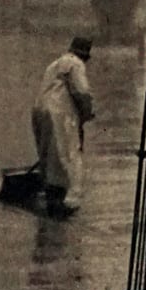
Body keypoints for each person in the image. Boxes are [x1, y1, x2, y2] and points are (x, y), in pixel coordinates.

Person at [32, 36, 94, 215]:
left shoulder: (55, 64)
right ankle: (57, 201)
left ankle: (50, 195)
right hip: (60, 112)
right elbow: (82, 92)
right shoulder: (76, 64)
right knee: (64, 154)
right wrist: (87, 113)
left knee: (47, 153)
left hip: (40, 109)